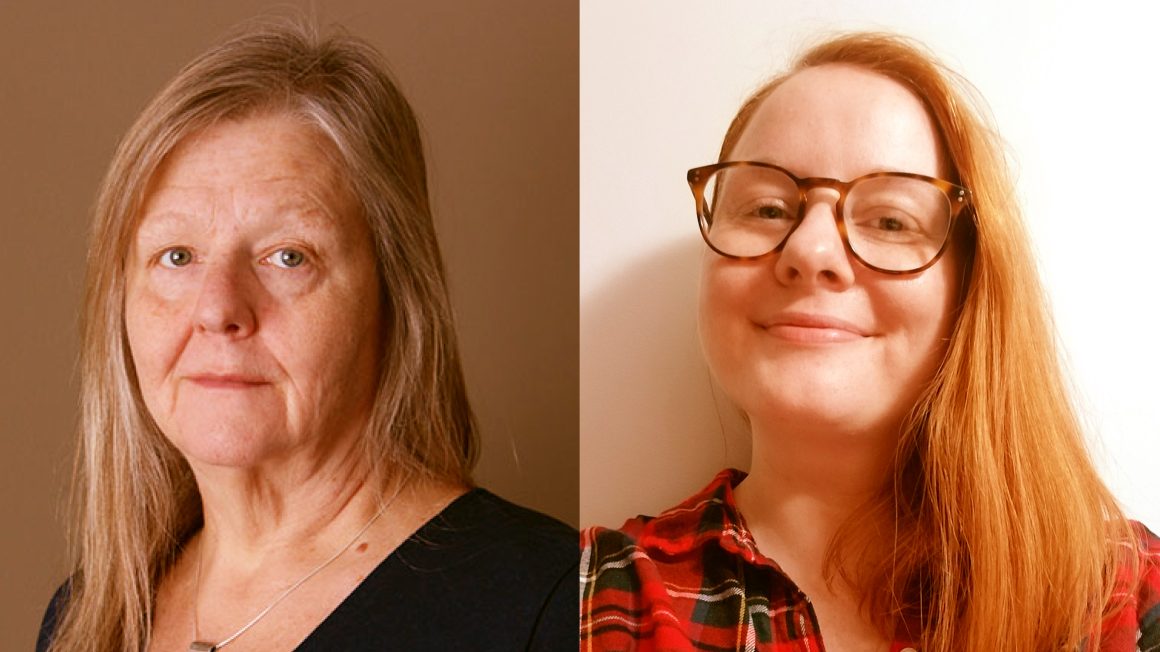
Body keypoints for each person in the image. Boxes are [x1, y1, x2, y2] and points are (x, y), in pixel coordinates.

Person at [580, 32, 1159, 652]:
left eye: (890, 220)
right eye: (768, 209)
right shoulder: (592, 596)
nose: (809, 251)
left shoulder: (1120, 591)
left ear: (970, 283)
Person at [37, 20, 575, 652]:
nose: (217, 309)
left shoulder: (551, 606)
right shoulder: (85, 614)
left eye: (287, 256)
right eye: (177, 257)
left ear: (394, 295)